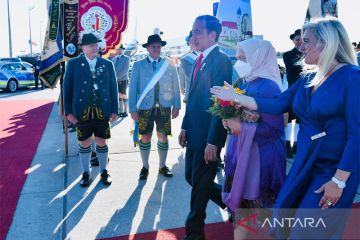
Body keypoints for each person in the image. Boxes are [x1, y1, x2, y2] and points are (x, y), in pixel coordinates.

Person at [211, 17, 360, 239]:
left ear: (326, 43)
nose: (301, 46)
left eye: (307, 41)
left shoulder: (352, 78)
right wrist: (236, 98)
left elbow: (356, 136)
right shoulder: (308, 77)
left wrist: (339, 181)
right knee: (285, 221)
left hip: (334, 168)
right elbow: (278, 104)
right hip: (305, 162)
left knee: (307, 229)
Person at [222, 39, 287, 239]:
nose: (239, 62)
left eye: (244, 58)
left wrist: (241, 127)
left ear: (258, 58)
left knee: (256, 212)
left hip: (259, 161)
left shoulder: (268, 87)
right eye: (238, 57)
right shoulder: (246, 82)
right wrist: (228, 119)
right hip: (244, 156)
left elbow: (274, 130)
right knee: (244, 212)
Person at [178, 15, 231, 240]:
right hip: (195, 133)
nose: (194, 35)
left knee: (199, 186)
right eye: (193, 31)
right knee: (192, 177)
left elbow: (220, 105)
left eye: (198, 31)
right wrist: (184, 127)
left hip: (208, 136)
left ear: (213, 35)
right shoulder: (198, 59)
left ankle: (194, 232)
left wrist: (213, 141)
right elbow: (193, 99)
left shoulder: (221, 61)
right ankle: (233, 202)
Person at [63, 33, 119, 187]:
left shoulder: (107, 64)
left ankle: (103, 171)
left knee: (102, 141)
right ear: (83, 47)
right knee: (85, 142)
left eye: (96, 45)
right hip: (82, 111)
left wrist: (115, 109)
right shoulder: (73, 64)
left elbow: (113, 89)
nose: (95, 47)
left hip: (102, 110)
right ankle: (86, 173)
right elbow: (66, 90)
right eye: (91, 45)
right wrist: (68, 112)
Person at [128, 34, 181, 180]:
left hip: (164, 107)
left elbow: (175, 86)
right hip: (145, 107)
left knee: (163, 136)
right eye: (153, 46)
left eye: (158, 46)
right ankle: (145, 166)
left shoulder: (169, 64)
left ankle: (162, 166)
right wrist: (132, 108)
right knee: (145, 137)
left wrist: (177, 105)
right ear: (148, 48)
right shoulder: (138, 65)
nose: (156, 49)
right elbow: (132, 88)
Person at [283, 29, 303, 158]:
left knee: (301, 120)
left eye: (302, 39)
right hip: (292, 91)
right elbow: (295, 67)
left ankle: (296, 144)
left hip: (305, 92)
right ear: (293, 41)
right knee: (289, 120)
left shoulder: (310, 53)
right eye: (297, 39)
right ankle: (286, 145)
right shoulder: (288, 55)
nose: (300, 42)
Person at [111, 44, 130, 117]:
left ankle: (125, 111)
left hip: (123, 79)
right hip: (116, 79)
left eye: (120, 49)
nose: (119, 50)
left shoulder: (126, 58)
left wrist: (117, 77)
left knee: (123, 95)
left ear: (123, 50)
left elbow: (125, 70)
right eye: (118, 49)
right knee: (119, 95)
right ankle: (121, 111)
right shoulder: (115, 58)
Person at [179, 31, 198, 102]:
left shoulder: (206, 55)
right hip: (191, 94)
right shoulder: (186, 58)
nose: (195, 42)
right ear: (189, 43)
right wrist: (182, 88)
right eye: (192, 41)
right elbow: (182, 75)